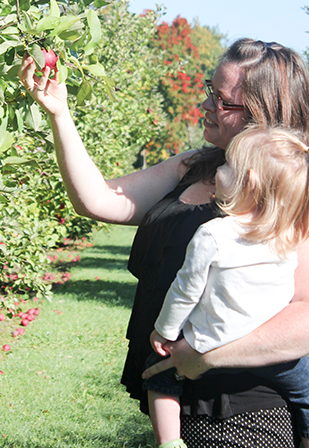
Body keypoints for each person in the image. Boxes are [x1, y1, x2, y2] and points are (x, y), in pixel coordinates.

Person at [19, 38, 309, 446]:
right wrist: (60, 114)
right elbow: (99, 200)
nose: (206, 106)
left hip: (242, 409)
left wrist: (206, 356)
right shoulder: (194, 166)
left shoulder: (290, 196)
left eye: (224, 102)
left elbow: (305, 316)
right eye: (211, 90)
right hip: (174, 398)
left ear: (263, 115)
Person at [144, 126, 309, 448]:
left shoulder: (214, 234)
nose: (218, 170)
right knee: (305, 391)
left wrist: (164, 331)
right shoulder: (289, 236)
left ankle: (170, 441)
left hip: (212, 340)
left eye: (226, 164)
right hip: (272, 353)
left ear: (248, 181)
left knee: (157, 375)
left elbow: (185, 290)